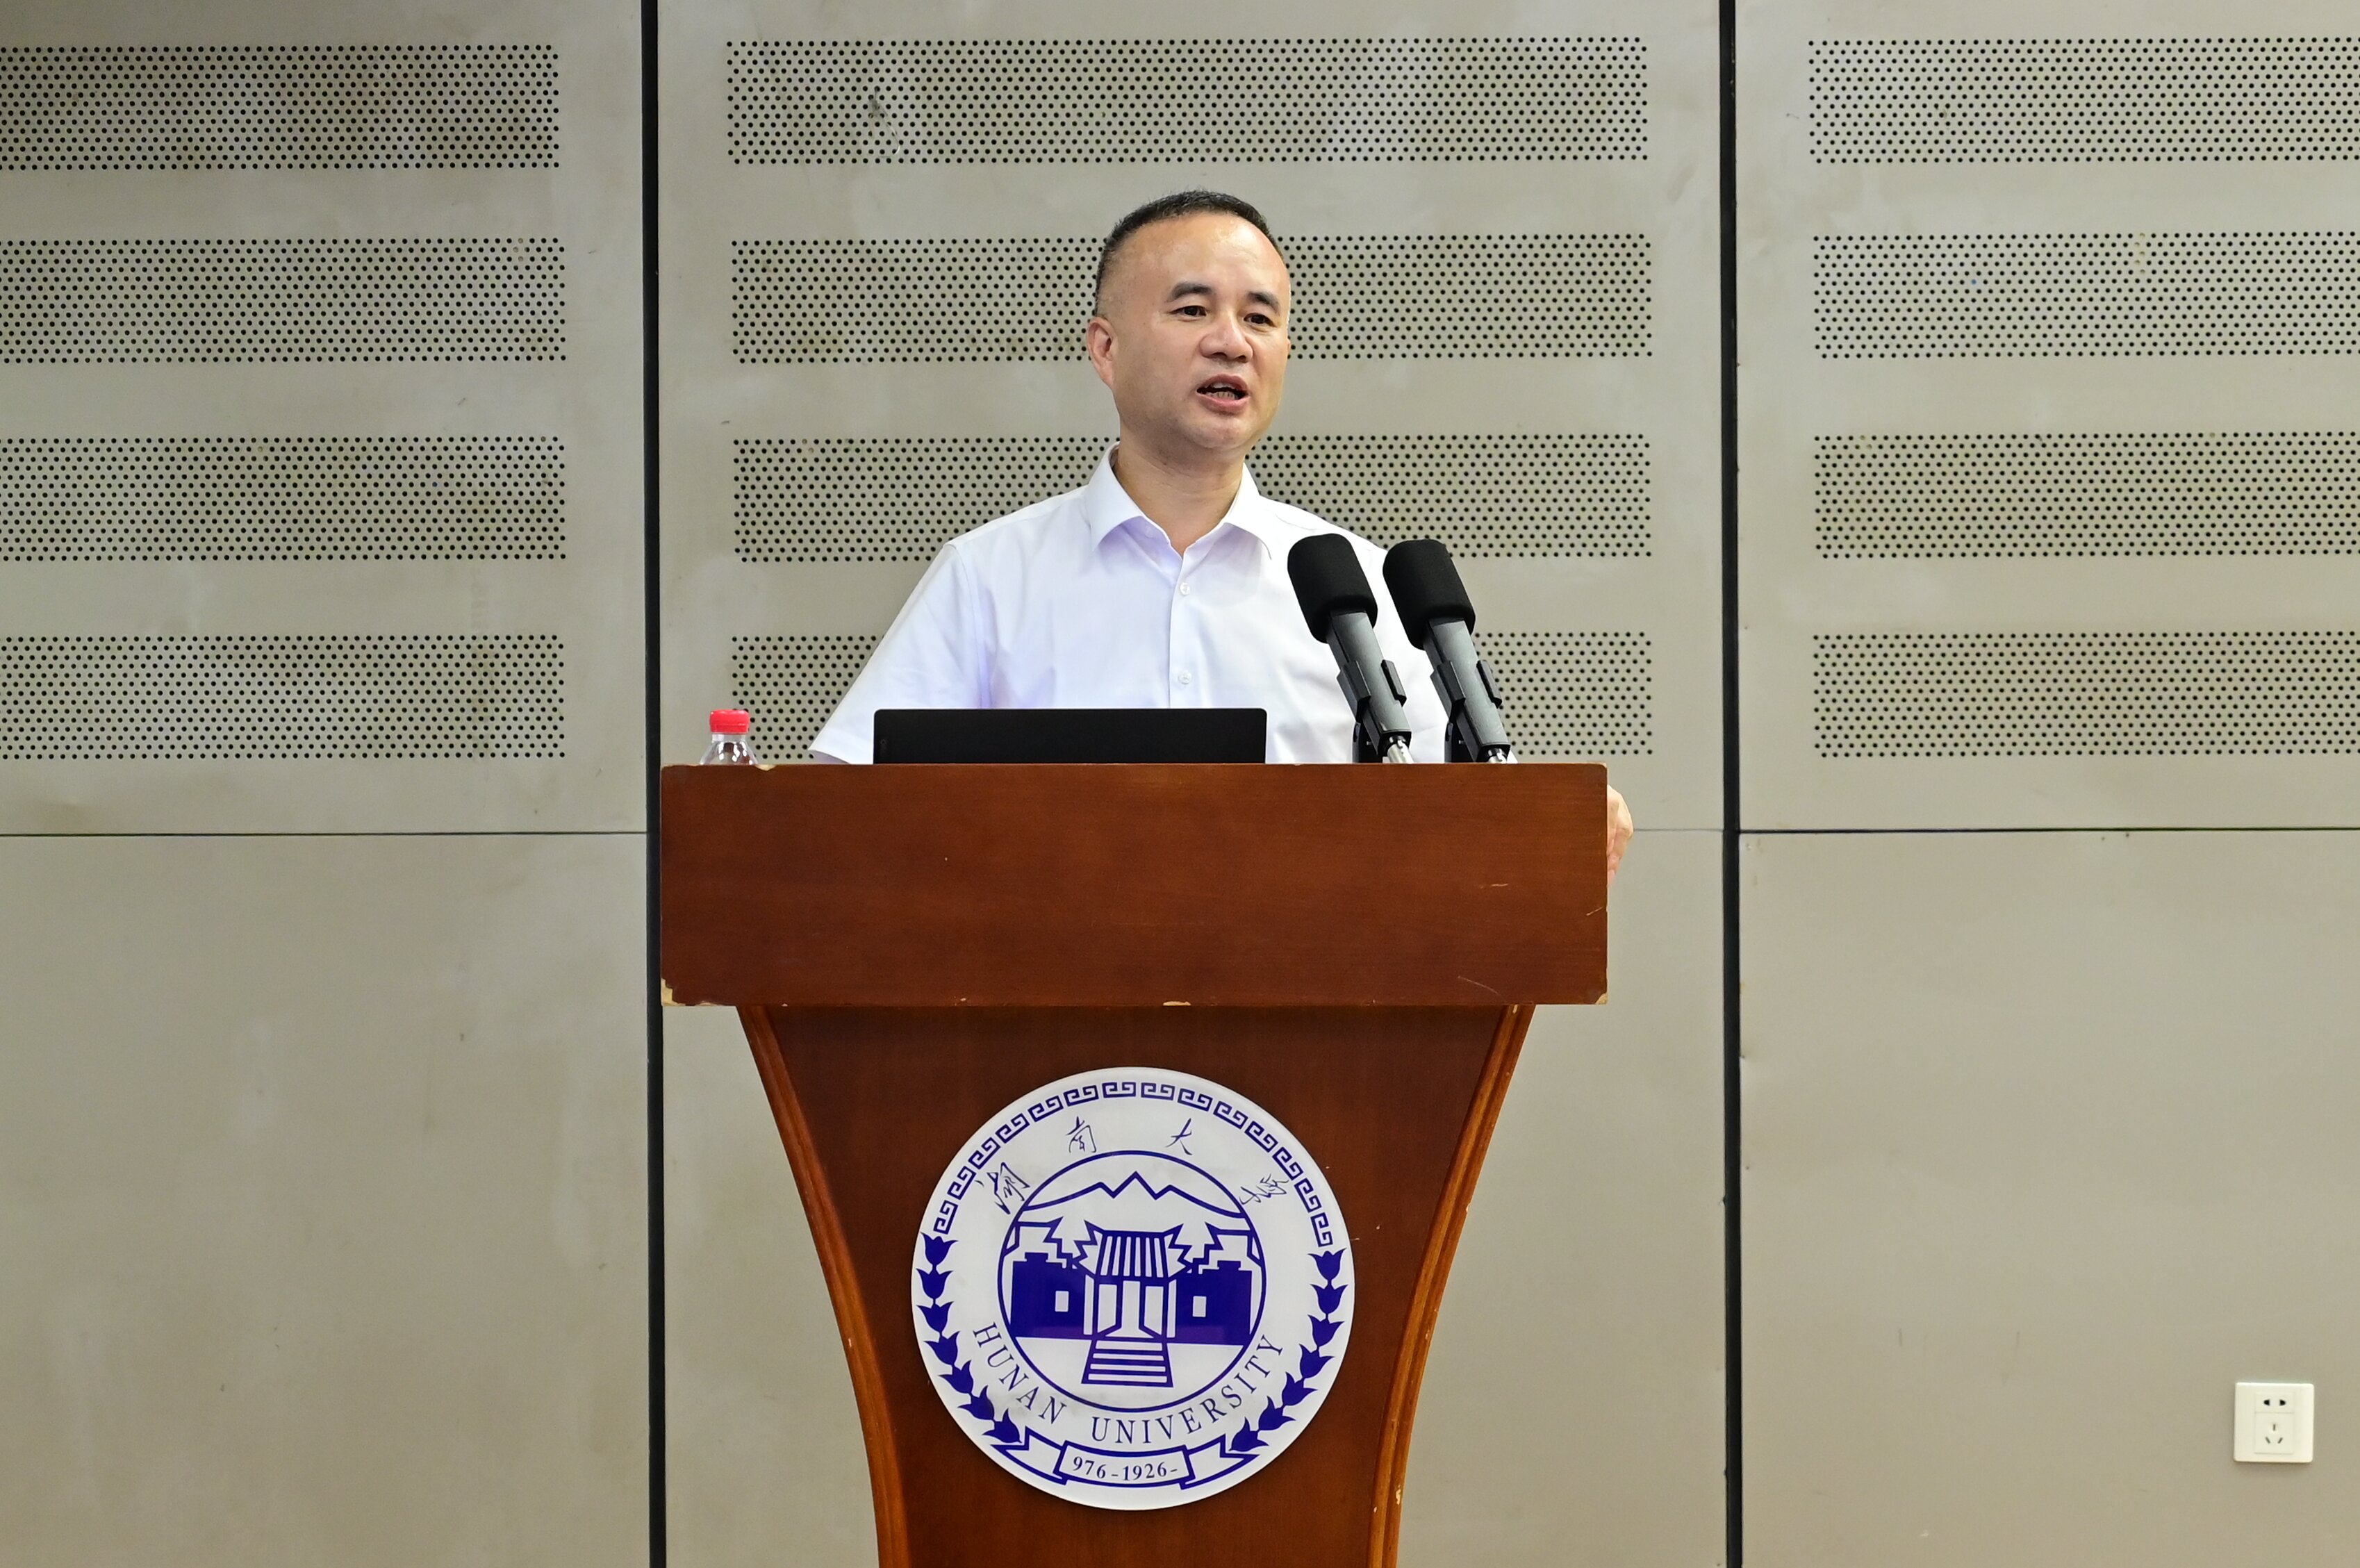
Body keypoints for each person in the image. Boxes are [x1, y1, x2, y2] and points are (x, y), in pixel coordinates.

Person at [813, 190, 1634, 880]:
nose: (1231, 341)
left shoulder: (1361, 590)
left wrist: (1552, 825)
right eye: (1192, 309)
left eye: (1260, 317)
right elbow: (841, 815)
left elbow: (1474, 828)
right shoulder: (991, 575)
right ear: (1105, 348)